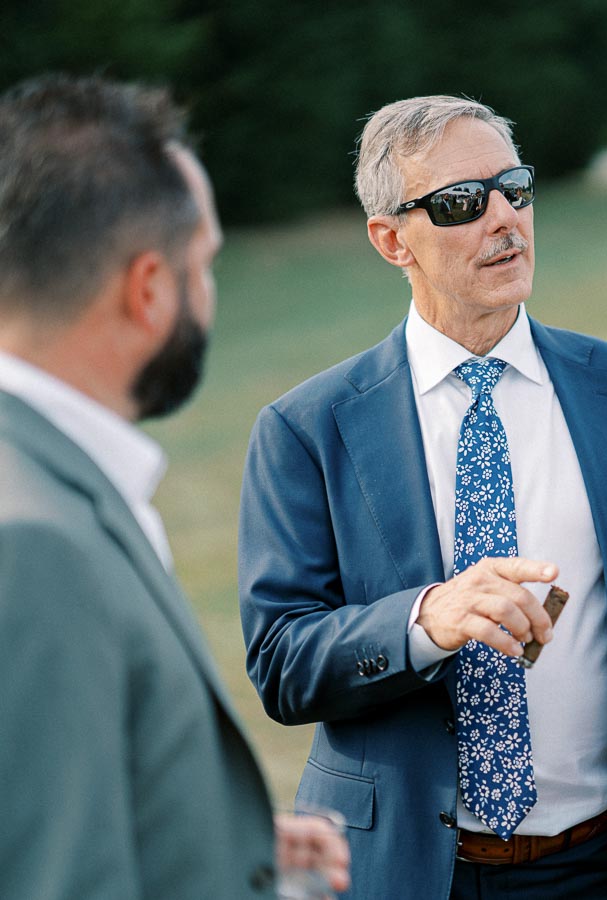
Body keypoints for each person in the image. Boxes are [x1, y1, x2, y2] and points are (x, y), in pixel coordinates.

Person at [237, 94, 607, 900]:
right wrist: (424, 621)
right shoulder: (305, 427)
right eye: (464, 203)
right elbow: (282, 665)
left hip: (600, 870)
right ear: (392, 240)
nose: (505, 219)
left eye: (516, 189)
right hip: (397, 872)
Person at [0, 73, 349, 898]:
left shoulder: (46, 476)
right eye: (207, 264)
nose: (210, 294)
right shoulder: (34, 546)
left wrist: (219, 845)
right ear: (149, 290)